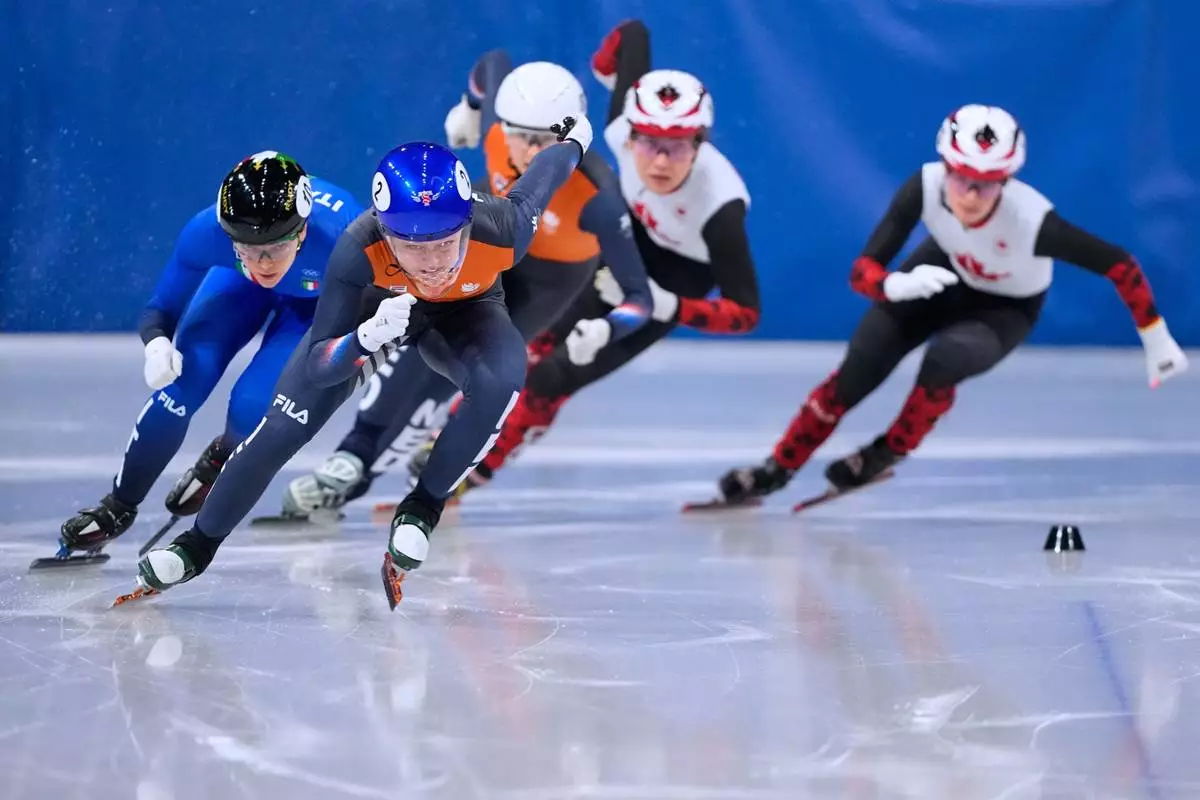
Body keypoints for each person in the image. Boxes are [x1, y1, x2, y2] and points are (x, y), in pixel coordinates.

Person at [126, 113, 596, 608]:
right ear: (386, 234)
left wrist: (575, 140)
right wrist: (366, 337)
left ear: (467, 226)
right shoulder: (356, 250)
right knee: (283, 424)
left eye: (445, 243)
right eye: (414, 247)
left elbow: (547, 174)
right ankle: (197, 544)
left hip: (466, 312)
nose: (433, 262)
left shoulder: (503, 228)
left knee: (502, 377)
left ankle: (423, 508)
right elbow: (319, 366)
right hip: (374, 310)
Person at [713, 103, 1188, 506]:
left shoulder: (1032, 220)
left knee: (945, 360)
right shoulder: (923, 186)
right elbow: (863, 269)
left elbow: (1118, 264)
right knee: (855, 372)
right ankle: (776, 469)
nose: (971, 194)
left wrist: (1155, 336)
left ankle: (884, 453)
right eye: (961, 177)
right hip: (936, 278)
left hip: (1004, 308)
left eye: (989, 181)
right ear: (945, 164)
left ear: (1009, 179)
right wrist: (890, 287)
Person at [280, 54, 652, 516]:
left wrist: (606, 328)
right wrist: (470, 107)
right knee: (418, 339)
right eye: (522, 137)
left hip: (547, 280)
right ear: (505, 125)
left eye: (545, 142)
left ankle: (423, 447)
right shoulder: (498, 126)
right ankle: (354, 458)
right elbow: (491, 64)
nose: (533, 152)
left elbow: (641, 299)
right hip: (479, 239)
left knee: (458, 369)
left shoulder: (598, 194)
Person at [427, 19, 762, 497]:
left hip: (679, 276)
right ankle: (459, 433)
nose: (659, 161)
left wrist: (670, 306)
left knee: (556, 374)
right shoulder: (621, 122)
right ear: (629, 133)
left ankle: (479, 469)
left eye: (677, 146)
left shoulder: (721, 209)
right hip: (626, 241)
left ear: (701, 143)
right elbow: (635, 33)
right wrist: (606, 65)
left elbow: (746, 313)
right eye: (647, 142)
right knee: (531, 347)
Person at [40, 152, 360, 566]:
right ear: (229, 235)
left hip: (311, 309)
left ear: (301, 233)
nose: (262, 262)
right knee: (180, 387)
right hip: (236, 286)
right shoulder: (206, 231)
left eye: (275, 248)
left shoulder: (344, 238)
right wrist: (156, 343)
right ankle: (118, 505)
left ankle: (221, 456)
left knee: (251, 410)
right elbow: (161, 309)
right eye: (246, 247)